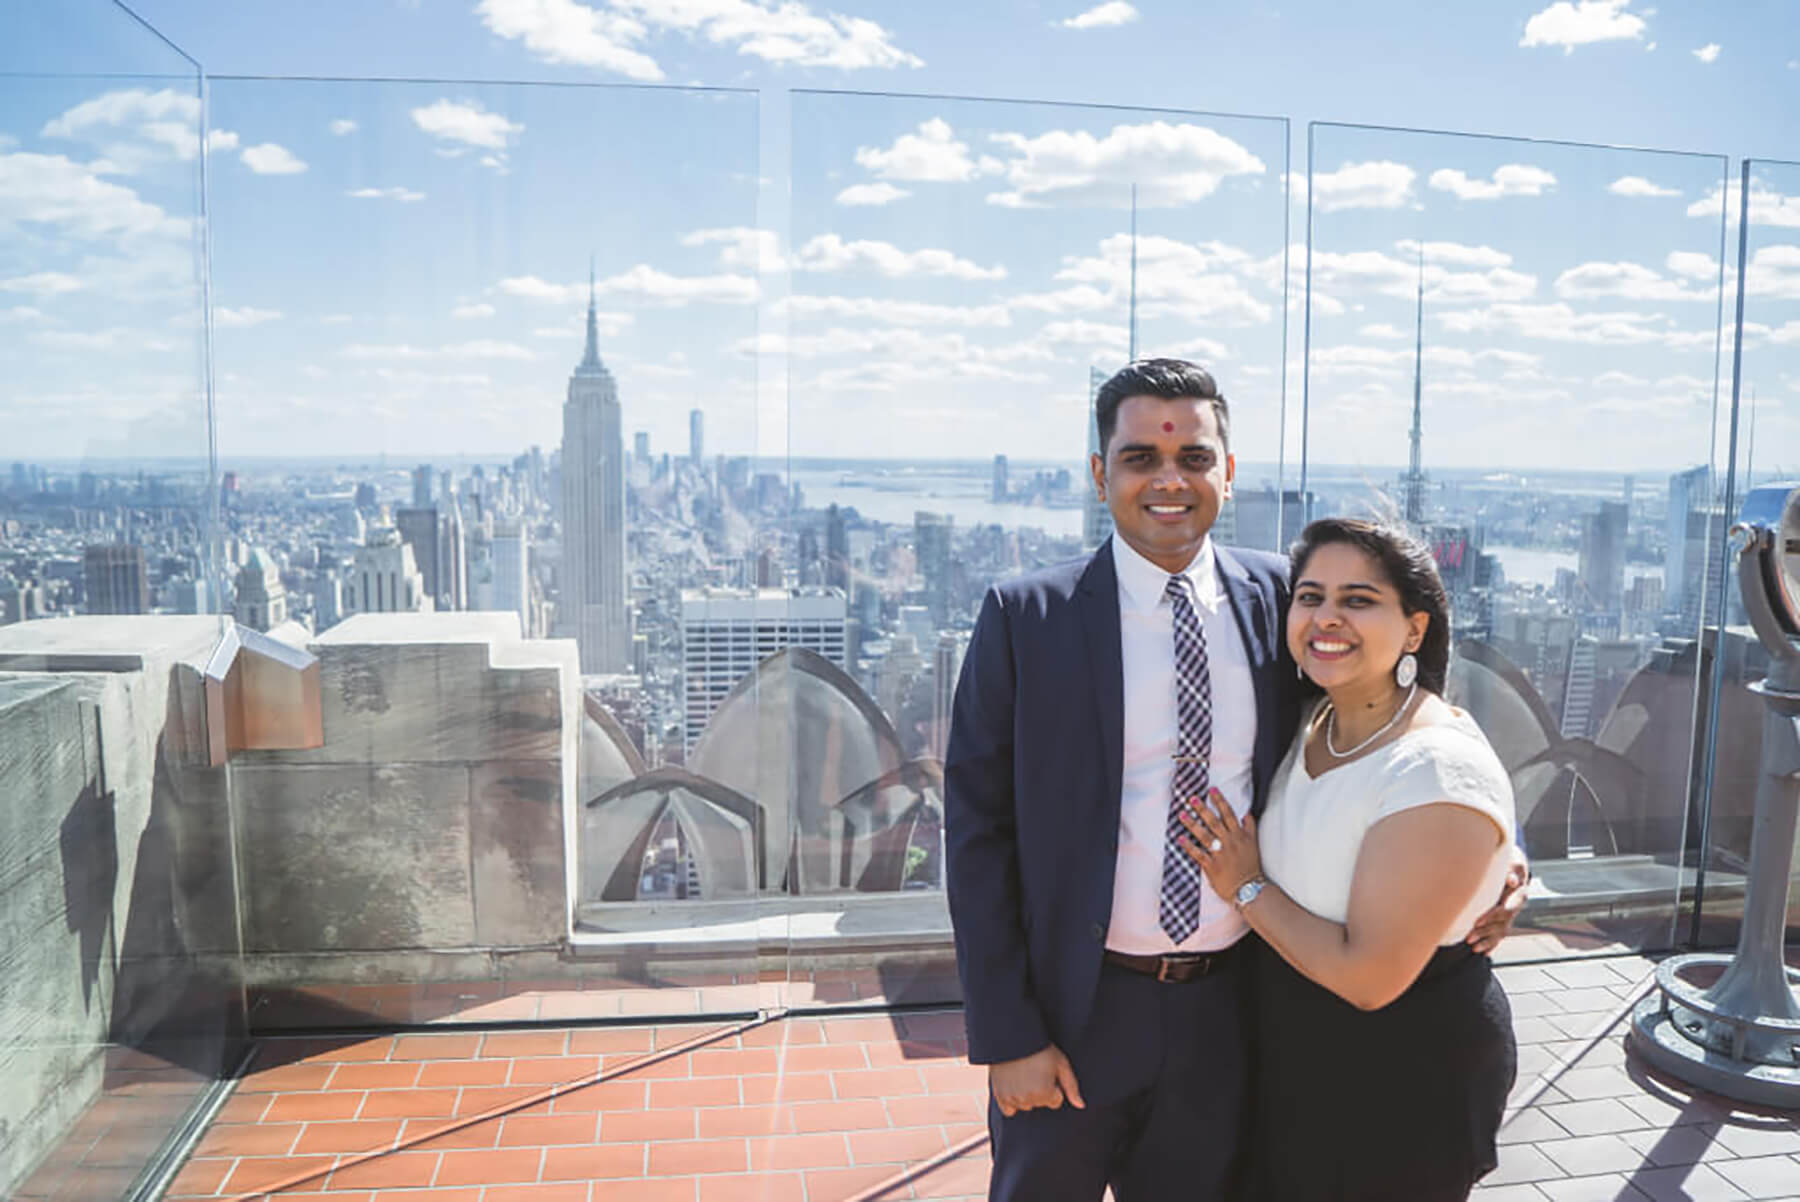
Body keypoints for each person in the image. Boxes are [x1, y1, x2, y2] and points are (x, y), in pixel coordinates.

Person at [944, 360, 1524, 1202]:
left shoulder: (1283, 601)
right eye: (1141, 458)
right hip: (1074, 1008)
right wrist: (1006, 1034)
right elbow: (976, 829)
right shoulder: (1027, 616)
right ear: (1100, 474)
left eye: (1194, 458)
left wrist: (1496, 861)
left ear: (1229, 470)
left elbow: (1395, 732)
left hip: (1235, 1009)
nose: (1169, 480)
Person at [1183, 517, 1519, 1201]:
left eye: (1359, 600)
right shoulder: (1313, 716)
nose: (1327, 617)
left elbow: (1369, 978)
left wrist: (1245, 887)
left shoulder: (1435, 764)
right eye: (1311, 597)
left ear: (1415, 629)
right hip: (1299, 1057)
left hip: (1398, 1075)